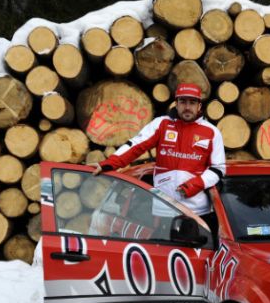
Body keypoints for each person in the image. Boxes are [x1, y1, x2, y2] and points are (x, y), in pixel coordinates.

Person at [93, 83, 225, 232]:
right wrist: (109, 164)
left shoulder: (212, 132)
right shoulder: (162, 124)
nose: (187, 107)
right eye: (183, 102)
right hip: (164, 208)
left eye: (192, 102)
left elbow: (218, 168)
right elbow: (136, 145)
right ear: (176, 103)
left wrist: (194, 185)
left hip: (197, 210)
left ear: (199, 105)